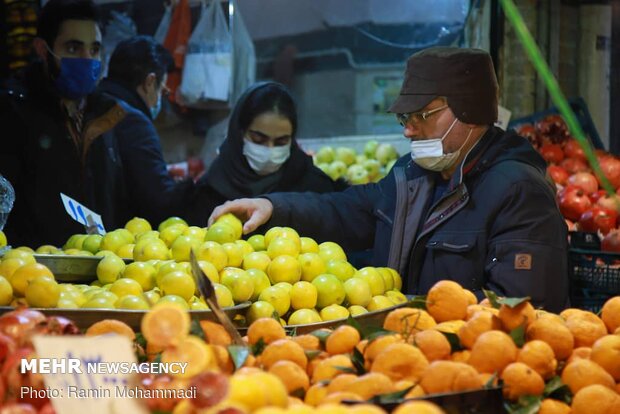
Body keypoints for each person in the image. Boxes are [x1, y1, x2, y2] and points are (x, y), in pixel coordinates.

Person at [209, 47, 569, 312]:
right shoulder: (415, 175)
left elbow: (520, 310)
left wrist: (412, 318)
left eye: (421, 115)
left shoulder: (519, 192)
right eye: (405, 118)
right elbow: (347, 210)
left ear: (468, 113)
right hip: (409, 352)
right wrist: (273, 206)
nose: (409, 130)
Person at [0, 0, 126, 247]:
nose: (87, 59)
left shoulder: (107, 113)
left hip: (98, 269)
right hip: (31, 270)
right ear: (42, 49)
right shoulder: (12, 112)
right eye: (73, 48)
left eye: (95, 49)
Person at [187, 81, 347, 224]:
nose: (269, 150)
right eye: (258, 139)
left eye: (281, 141)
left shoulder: (315, 187)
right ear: (240, 133)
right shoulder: (209, 190)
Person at [97, 35, 195, 227]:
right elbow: (158, 202)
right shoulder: (133, 121)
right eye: (162, 91)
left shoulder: (95, 103)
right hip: (121, 238)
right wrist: (191, 187)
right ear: (150, 82)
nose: (160, 99)